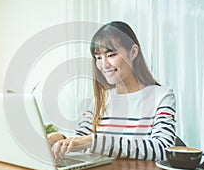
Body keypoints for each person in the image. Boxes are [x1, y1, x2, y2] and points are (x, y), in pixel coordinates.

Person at [48, 21, 176, 161]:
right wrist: (60, 139)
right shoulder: (101, 99)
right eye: (98, 58)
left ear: (133, 52)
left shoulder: (161, 96)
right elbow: (81, 138)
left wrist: (94, 141)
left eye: (111, 55)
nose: (104, 65)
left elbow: (163, 149)